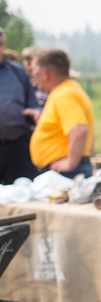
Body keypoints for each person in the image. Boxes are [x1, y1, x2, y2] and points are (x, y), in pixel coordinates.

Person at [28, 49, 94, 179]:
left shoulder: (64, 94)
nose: (32, 74)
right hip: (69, 170)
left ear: (45, 72)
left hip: (67, 173)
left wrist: (70, 162)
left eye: (34, 69)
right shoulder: (68, 89)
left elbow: (79, 129)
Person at [0, 27, 41, 184]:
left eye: (1, 44)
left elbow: (34, 104)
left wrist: (36, 112)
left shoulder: (17, 71)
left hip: (17, 146)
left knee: (22, 195)